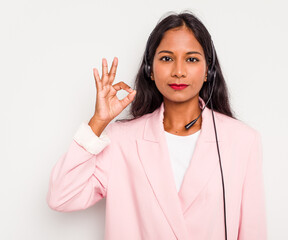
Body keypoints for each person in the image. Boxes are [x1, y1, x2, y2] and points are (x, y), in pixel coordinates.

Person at [46, 11, 267, 240]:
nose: (178, 71)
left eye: (191, 59)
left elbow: (253, 232)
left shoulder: (242, 141)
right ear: (149, 70)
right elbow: (62, 196)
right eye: (166, 58)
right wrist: (98, 122)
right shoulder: (122, 140)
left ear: (207, 72)